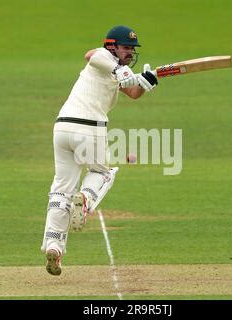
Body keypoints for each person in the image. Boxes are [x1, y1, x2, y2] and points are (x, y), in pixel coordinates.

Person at [41, 25, 159, 275]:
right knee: (103, 173)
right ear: (112, 46)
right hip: (89, 129)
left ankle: (54, 246)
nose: (130, 52)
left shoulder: (118, 71)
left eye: (132, 49)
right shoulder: (103, 58)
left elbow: (133, 92)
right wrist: (121, 69)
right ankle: (85, 200)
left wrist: (148, 81)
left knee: (61, 189)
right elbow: (90, 54)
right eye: (126, 47)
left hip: (62, 128)